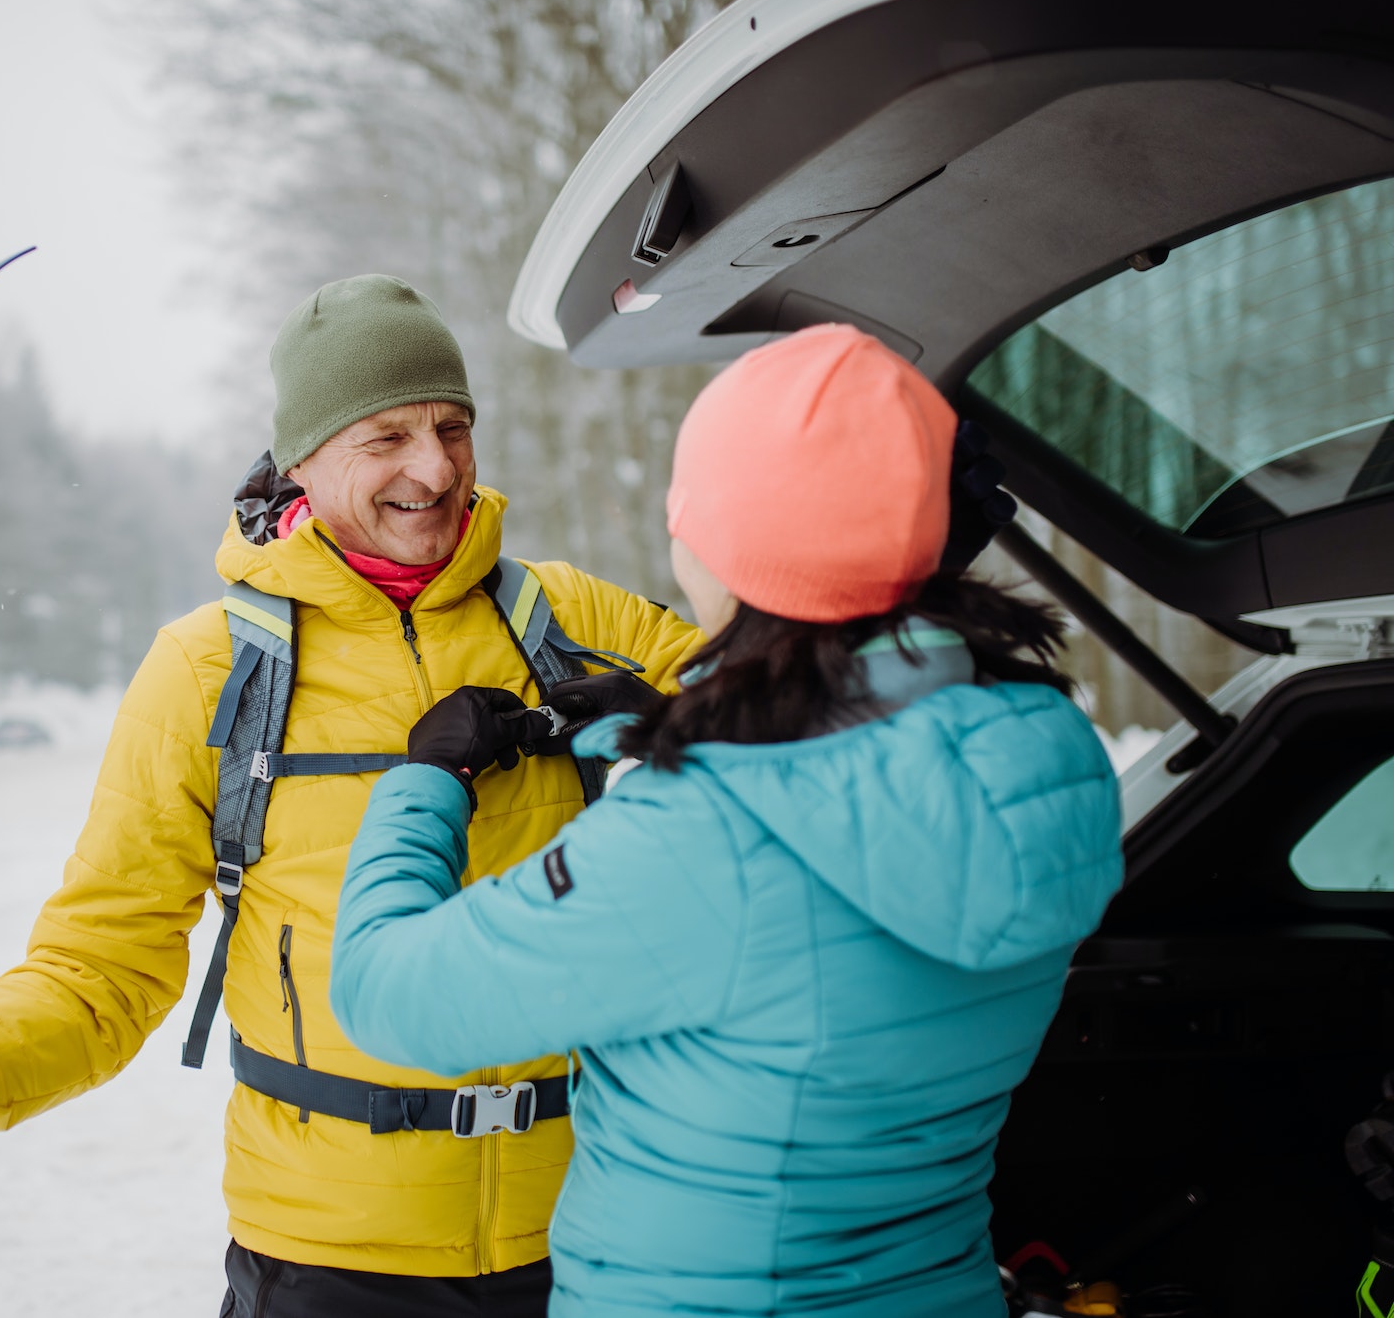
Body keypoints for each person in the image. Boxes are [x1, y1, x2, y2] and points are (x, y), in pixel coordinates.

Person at [0, 275, 704, 1316]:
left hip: (592, 1234)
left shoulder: (569, 616)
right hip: (325, 1262)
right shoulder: (210, 669)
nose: (436, 466)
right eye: (386, 435)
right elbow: (102, 965)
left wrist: (683, 717)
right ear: (304, 459)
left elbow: (799, 719)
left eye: (452, 426)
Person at [328, 324, 1126, 1316]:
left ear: (722, 539)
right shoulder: (1036, 752)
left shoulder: (697, 840)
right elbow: (834, 813)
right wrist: (677, 723)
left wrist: (425, 782)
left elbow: (383, 991)